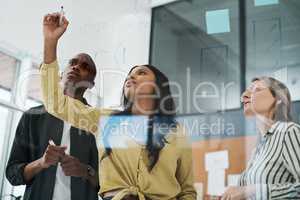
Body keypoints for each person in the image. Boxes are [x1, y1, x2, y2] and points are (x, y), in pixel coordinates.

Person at [40, 13, 196, 200]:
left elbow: (187, 191)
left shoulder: (177, 132)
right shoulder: (106, 120)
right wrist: (50, 42)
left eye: (141, 73)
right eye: (129, 75)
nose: (130, 77)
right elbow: (56, 103)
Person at [6, 51, 100, 200]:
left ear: (91, 84)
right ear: (62, 73)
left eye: (84, 67)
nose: (76, 67)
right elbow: (12, 174)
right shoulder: (32, 116)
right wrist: (41, 163)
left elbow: (106, 184)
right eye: (72, 62)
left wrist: (85, 171)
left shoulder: (97, 125)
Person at [222, 77, 300, 200]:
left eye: (256, 90)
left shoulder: (288, 132)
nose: (244, 96)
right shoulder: (258, 147)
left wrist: (253, 191)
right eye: (246, 91)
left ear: (278, 99)